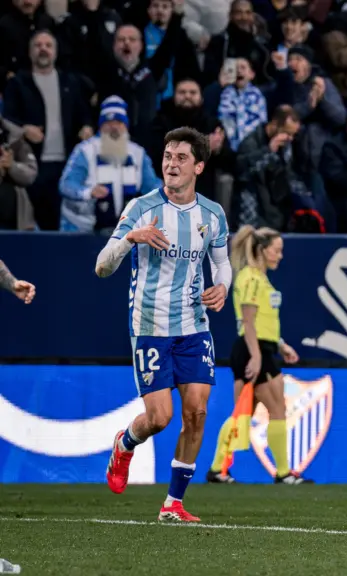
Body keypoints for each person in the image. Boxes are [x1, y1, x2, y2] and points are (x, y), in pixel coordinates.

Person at [94, 127, 231, 523]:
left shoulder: (212, 214)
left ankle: (173, 503)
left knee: (197, 412)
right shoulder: (141, 208)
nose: (171, 164)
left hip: (194, 324)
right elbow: (102, 266)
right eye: (168, 156)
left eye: (181, 158)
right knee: (160, 418)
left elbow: (222, 263)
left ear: (198, 167)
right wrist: (131, 238)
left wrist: (222, 287)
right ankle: (125, 443)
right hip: (150, 325)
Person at [206, 225, 310, 485]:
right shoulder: (251, 279)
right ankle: (283, 473)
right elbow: (248, 322)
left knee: (244, 413)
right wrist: (256, 356)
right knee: (277, 409)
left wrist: (281, 345)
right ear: (262, 250)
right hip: (255, 350)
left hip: (260, 348)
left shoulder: (259, 279)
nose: (280, 256)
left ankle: (217, 469)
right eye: (277, 250)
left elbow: (262, 321)